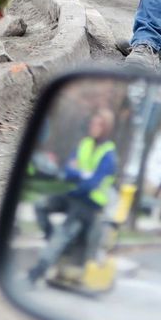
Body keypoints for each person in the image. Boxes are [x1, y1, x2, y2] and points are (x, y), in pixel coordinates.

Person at [27, 109, 118, 285]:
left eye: (96, 124)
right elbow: (68, 171)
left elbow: (93, 184)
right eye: (92, 122)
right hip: (73, 195)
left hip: (89, 205)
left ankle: (37, 272)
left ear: (105, 128)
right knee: (41, 205)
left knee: (63, 232)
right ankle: (55, 244)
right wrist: (82, 175)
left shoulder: (109, 156)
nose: (92, 126)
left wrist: (80, 175)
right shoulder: (84, 144)